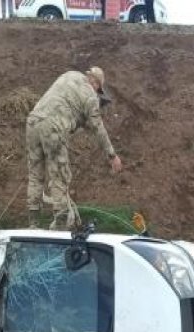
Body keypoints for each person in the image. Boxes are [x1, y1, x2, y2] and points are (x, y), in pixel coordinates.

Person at [26, 67, 123, 229]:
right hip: (53, 127)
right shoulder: (90, 95)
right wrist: (112, 155)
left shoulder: (69, 75)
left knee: (35, 175)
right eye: (98, 89)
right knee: (59, 177)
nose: (97, 92)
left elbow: (66, 103)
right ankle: (60, 224)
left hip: (33, 122)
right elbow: (98, 127)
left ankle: (33, 224)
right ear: (96, 83)